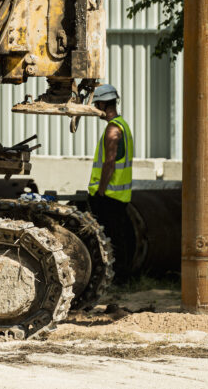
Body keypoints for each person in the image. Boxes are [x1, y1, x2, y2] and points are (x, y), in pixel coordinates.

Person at [87, 83, 134, 279]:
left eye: (97, 104)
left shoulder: (112, 130)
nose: (96, 108)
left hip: (109, 195)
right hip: (120, 194)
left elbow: (109, 163)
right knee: (121, 235)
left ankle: (118, 276)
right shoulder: (123, 125)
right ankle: (124, 276)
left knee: (110, 238)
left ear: (104, 104)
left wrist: (101, 191)